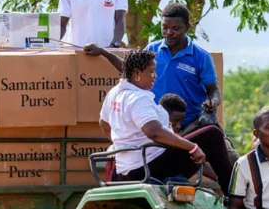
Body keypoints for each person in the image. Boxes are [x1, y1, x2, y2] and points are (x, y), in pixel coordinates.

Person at [99, 48, 234, 194]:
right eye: (151, 72)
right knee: (212, 134)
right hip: (146, 169)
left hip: (126, 169)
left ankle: (225, 185)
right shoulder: (138, 98)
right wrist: (192, 147)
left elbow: (104, 125)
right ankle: (233, 196)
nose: (155, 76)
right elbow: (154, 132)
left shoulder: (114, 93)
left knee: (183, 141)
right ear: (137, 73)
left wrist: (124, 145)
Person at [146, 3, 222, 134]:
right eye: (165, 28)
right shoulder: (151, 50)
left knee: (225, 148)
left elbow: (213, 89)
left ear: (187, 27)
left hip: (191, 125)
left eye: (175, 28)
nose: (169, 33)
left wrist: (213, 102)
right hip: (157, 125)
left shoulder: (201, 57)